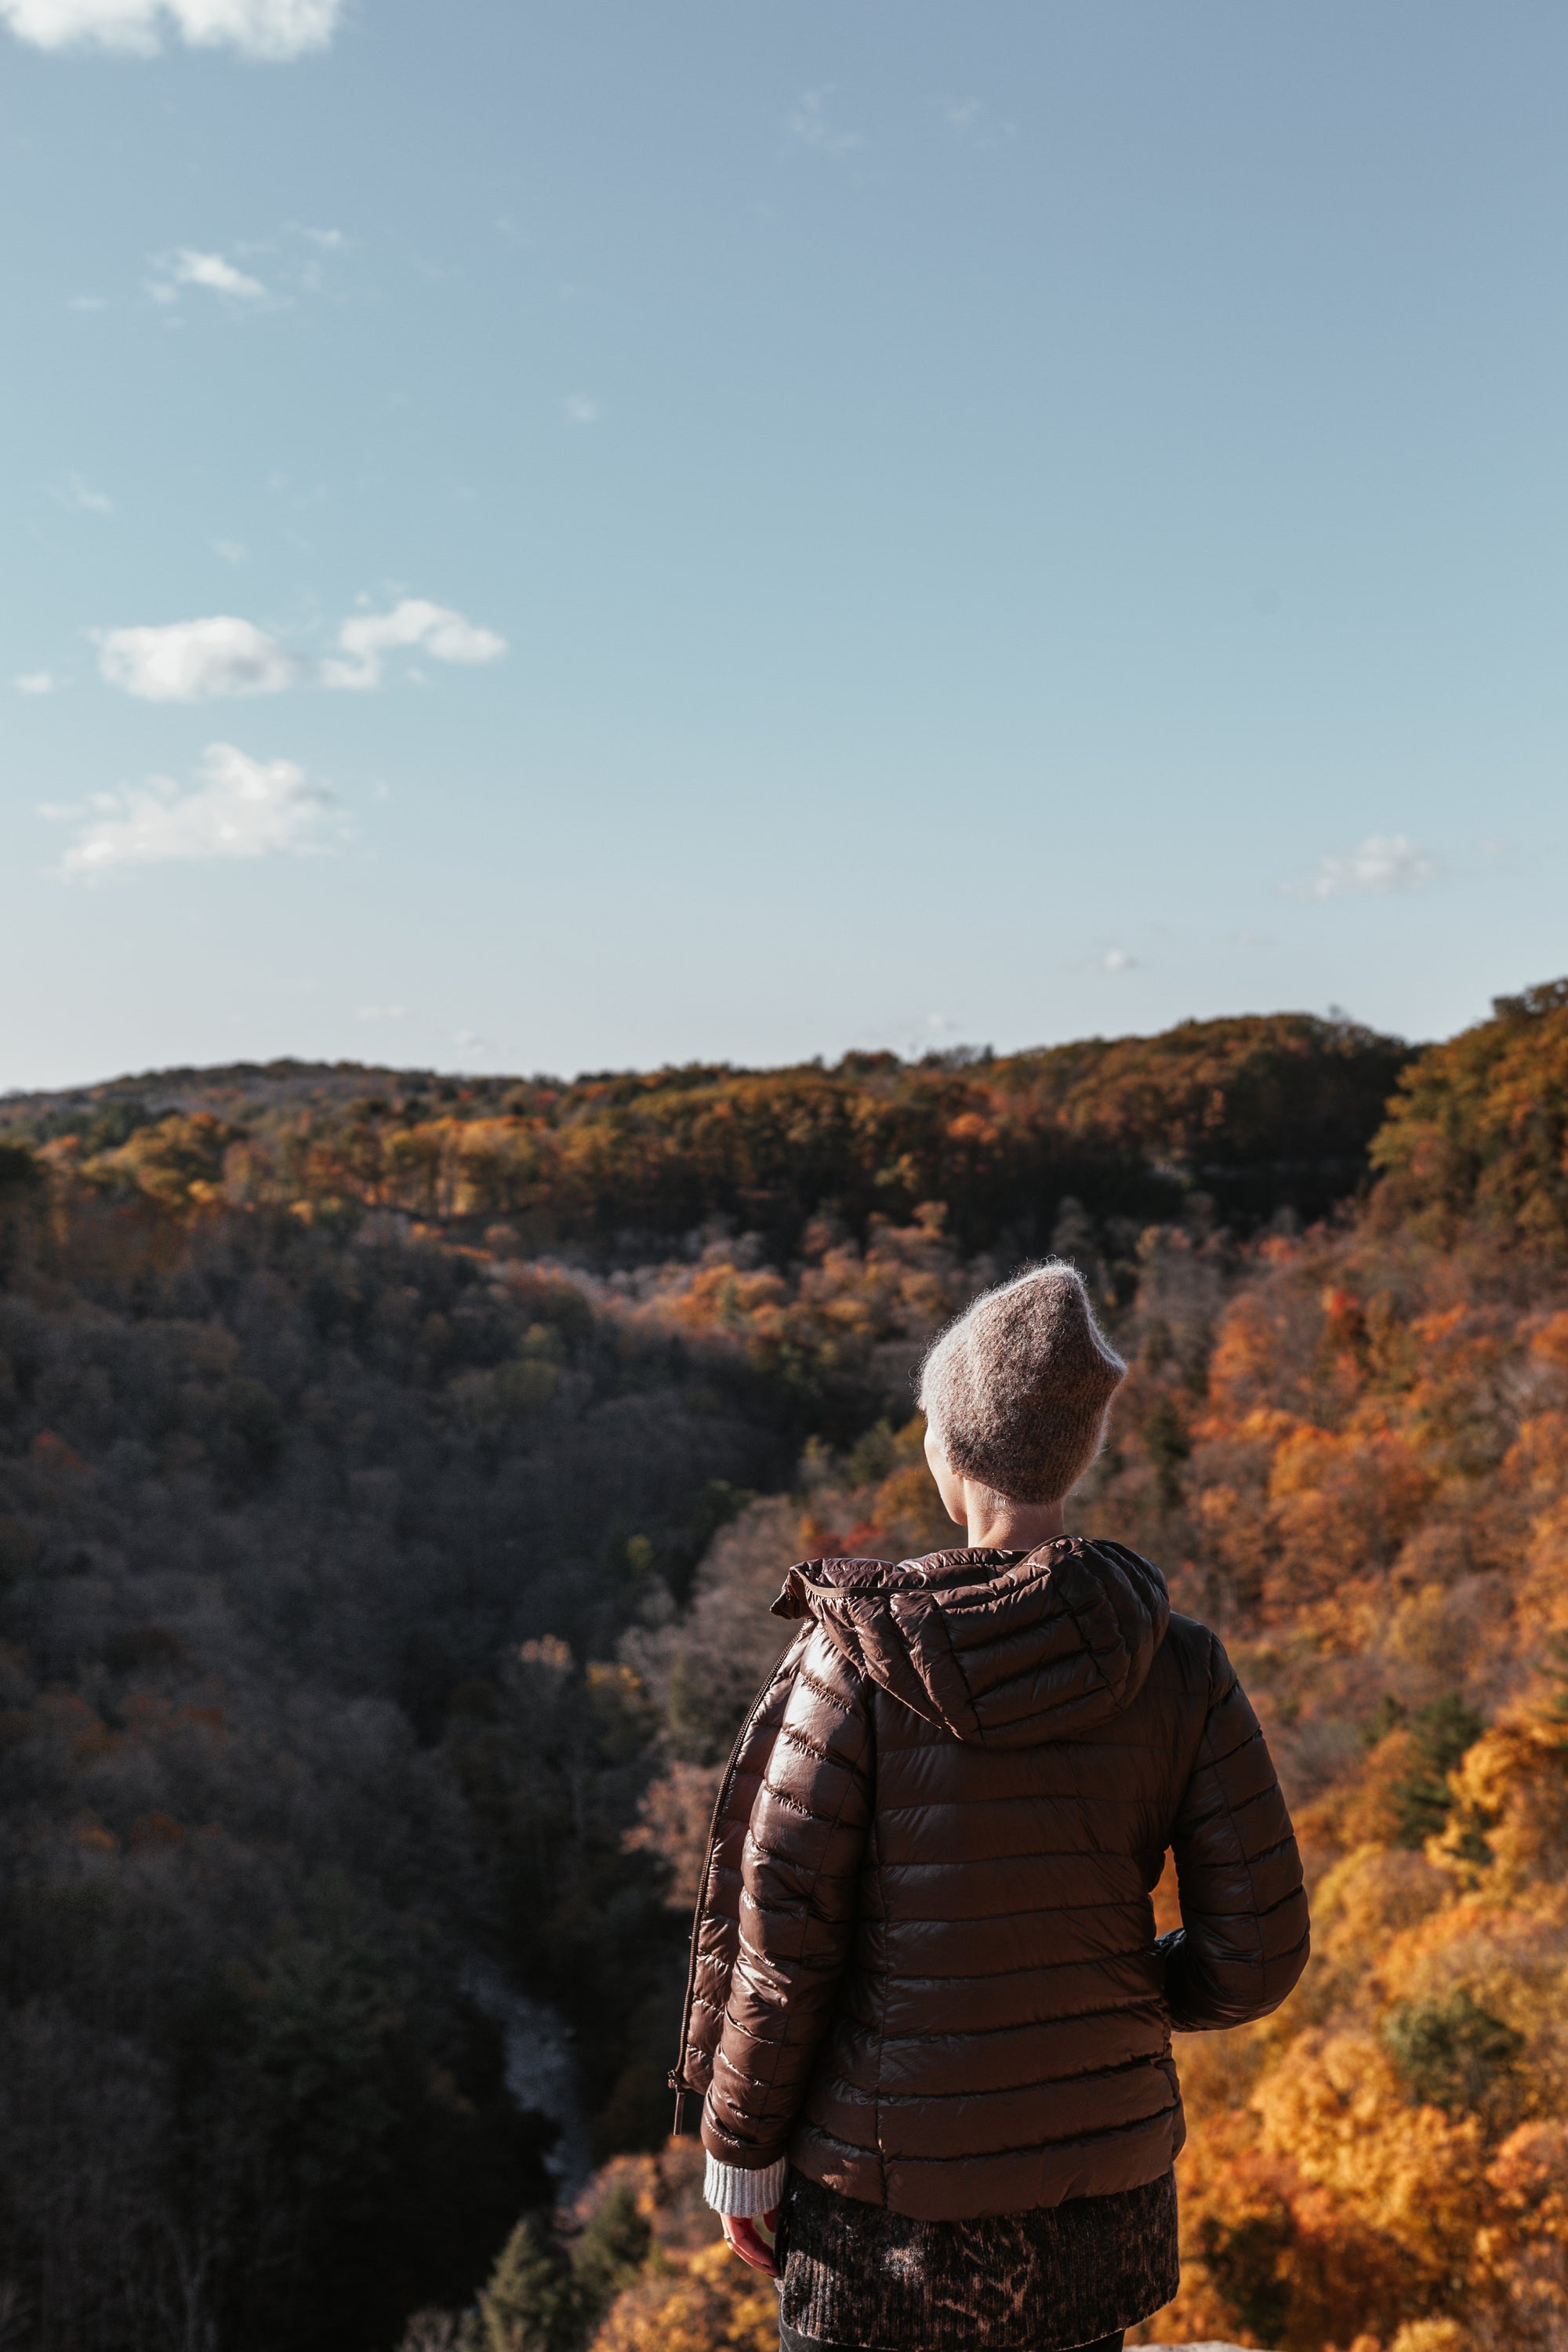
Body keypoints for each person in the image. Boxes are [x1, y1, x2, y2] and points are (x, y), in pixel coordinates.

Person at [667, 1261, 1309, 2352]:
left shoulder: (856, 1662)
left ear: (948, 1450)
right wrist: (1106, 1997)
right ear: (1078, 1453)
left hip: (882, 2227)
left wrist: (741, 2150)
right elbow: (1259, 1953)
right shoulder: (1179, 1662)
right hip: (1095, 2209)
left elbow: (785, 1938)